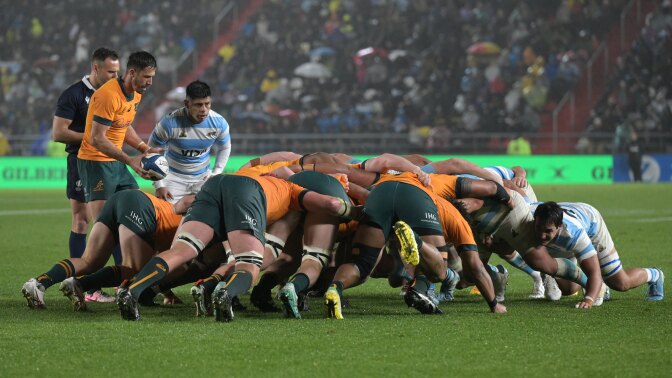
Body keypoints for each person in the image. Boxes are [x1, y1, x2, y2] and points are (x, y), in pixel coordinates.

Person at [116, 173, 359, 321]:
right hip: (246, 193)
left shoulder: (269, 179)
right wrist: (355, 211)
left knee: (183, 251)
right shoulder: (292, 190)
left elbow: (182, 205)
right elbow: (330, 204)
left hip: (212, 187)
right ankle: (226, 293)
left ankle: (133, 290)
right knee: (250, 264)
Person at [21, 190, 193, 310]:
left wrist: (165, 292)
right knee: (132, 270)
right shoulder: (196, 234)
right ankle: (81, 284)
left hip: (122, 199)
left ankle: (39, 283)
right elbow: (164, 265)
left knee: (89, 261)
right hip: (143, 208)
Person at [52, 47, 121, 303]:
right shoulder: (74, 94)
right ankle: (85, 286)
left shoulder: (116, 93)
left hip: (109, 162)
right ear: (96, 68)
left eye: (118, 71)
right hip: (81, 162)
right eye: (111, 72)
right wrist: (93, 138)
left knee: (113, 219)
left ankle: (120, 282)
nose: (116, 76)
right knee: (82, 220)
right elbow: (58, 132)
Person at [76, 50, 159, 227]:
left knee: (133, 214)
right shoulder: (108, 95)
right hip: (95, 162)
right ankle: (91, 256)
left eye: (152, 77)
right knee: (104, 226)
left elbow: (123, 124)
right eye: (146, 77)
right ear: (131, 73)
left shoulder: (137, 92)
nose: (150, 82)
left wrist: (145, 149)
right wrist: (130, 160)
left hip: (116, 162)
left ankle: (129, 256)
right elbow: (97, 139)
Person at [531, 201, 664, 302]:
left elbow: (594, 271)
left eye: (547, 231)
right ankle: (592, 284)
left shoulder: (574, 234)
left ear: (559, 227)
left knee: (620, 283)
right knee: (568, 289)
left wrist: (589, 299)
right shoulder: (526, 215)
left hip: (591, 224)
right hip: (560, 232)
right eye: (538, 228)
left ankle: (655, 275)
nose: (542, 235)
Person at [148, 80, 232, 203]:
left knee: (209, 216)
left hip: (203, 178)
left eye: (207, 104)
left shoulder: (219, 123)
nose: (203, 109)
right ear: (187, 103)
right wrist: (159, 185)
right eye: (198, 105)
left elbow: (224, 147)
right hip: (173, 178)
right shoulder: (168, 123)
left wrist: (216, 173)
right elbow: (151, 152)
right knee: (168, 218)